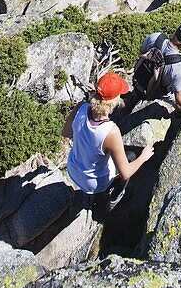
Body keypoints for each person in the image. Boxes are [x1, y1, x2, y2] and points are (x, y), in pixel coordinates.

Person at [63, 71, 154, 199]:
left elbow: (65, 133)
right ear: (114, 100)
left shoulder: (81, 108)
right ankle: (115, 197)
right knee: (132, 156)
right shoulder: (111, 131)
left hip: (73, 168)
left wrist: (85, 137)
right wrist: (144, 156)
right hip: (94, 183)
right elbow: (125, 173)